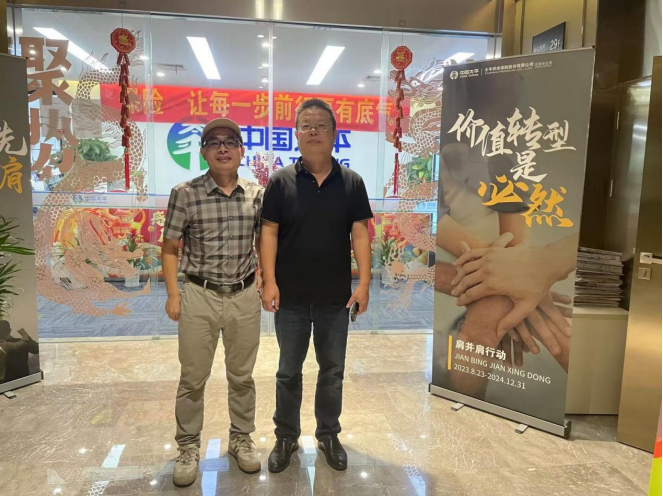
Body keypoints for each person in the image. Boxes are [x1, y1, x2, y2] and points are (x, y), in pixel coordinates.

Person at [260, 99, 373, 473]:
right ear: (295, 134)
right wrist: (269, 281)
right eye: (306, 125)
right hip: (290, 297)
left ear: (334, 133)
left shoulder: (351, 182)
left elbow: (360, 234)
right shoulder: (281, 181)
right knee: (288, 372)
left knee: (332, 370)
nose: (313, 132)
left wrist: (364, 283)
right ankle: (286, 437)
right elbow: (269, 233)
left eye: (321, 125)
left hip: (335, 298)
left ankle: (328, 434)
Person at [162, 118, 264, 487]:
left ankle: (241, 438)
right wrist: (173, 294)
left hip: (244, 296)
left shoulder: (257, 194)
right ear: (203, 151)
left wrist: (266, 279)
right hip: (199, 295)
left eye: (231, 141)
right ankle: (188, 446)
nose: (223, 148)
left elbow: (264, 243)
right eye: (214, 142)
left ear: (241, 151)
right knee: (192, 378)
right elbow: (170, 247)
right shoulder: (185, 193)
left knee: (242, 376)